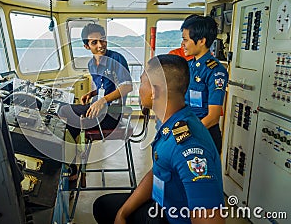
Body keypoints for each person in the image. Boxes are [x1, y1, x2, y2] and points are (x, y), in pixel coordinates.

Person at [93, 54, 225, 224]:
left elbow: (210, 220)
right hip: (160, 204)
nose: (139, 89)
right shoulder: (173, 122)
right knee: (103, 206)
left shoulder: (189, 148)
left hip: (169, 218)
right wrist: (123, 213)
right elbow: (159, 170)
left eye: (141, 83)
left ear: (154, 91)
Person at [58, 23, 133, 140]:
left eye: (102, 40)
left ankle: (73, 151)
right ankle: (74, 150)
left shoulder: (117, 58)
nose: (100, 45)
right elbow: (103, 87)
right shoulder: (91, 64)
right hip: (98, 109)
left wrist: (102, 101)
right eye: (94, 42)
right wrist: (92, 94)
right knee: (62, 110)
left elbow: (127, 86)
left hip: (112, 114)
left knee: (65, 111)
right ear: (87, 46)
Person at [181, 15, 228, 154]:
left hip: (204, 133)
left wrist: (187, 134)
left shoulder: (215, 71)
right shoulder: (188, 66)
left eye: (185, 40)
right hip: (188, 125)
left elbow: (213, 117)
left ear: (201, 41)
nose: (182, 44)